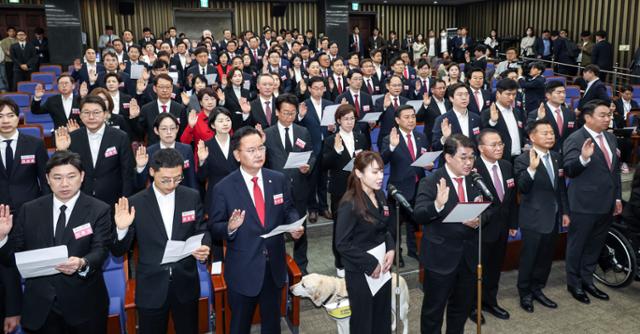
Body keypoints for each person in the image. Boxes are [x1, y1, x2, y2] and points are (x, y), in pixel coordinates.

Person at [0, 150, 111, 333]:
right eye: (57, 177)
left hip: (84, 306)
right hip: (41, 307)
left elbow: (101, 250)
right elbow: (12, 259)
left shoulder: (99, 209)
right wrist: (3, 239)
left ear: (82, 176)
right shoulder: (30, 210)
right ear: (47, 179)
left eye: (71, 176)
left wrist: (82, 262)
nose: (64, 184)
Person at [209, 126, 304, 334]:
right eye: (251, 150)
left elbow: (289, 210)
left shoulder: (277, 179)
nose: (258, 154)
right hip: (244, 269)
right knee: (240, 325)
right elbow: (214, 229)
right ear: (237, 155)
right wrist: (229, 228)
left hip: (274, 266)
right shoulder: (224, 188)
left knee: (272, 324)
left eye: (261, 148)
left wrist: (295, 224)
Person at [112, 148, 210, 334]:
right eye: (165, 179)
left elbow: (202, 229)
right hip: (151, 287)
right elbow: (118, 250)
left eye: (177, 178)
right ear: (151, 172)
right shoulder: (136, 203)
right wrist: (122, 229)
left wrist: (204, 246)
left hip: (185, 283)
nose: (172, 184)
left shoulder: (191, 196)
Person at [414, 134, 481, 334]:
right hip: (440, 258)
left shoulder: (475, 180)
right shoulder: (431, 182)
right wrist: (437, 205)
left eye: (471, 157)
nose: (468, 162)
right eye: (463, 157)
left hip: (468, 256)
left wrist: (479, 219)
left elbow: (490, 208)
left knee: (460, 309)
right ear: (448, 157)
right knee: (433, 312)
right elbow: (419, 214)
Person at [563, 99, 622, 303]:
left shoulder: (610, 138)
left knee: (595, 245)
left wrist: (617, 197)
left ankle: (588, 280)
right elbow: (569, 169)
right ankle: (574, 284)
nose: (608, 118)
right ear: (588, 117)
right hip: (583, 205)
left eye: (609, 115)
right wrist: (583, 159)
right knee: (577, 245)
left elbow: (613, 172)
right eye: (603, 115)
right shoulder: (576, 139)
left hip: (606, 203)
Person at [335, 151, 394, 334]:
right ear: (359, 173)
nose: (380, 177)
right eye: (375, 172)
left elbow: (385, 228)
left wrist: (391, 249)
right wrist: (370, 264)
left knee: (382, 318)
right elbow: (342, 244)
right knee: (363, 322)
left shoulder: (380, 196)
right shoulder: (349, 202)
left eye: (382, 172)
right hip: (361, 272)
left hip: (382, 269)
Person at [513, 119, 569, 313]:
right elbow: (522, 188)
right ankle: (525, 293)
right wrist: (532, 169)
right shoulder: (522, 159)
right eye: (544, 133)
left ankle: (538, 289)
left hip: (553, 216)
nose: (550, 136)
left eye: (551, 133)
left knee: (545, 257)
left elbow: (560, 188)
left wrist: (565, 212)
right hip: (533, 218)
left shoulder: (556, 157)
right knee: (529, 257)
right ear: (532, 136)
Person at [263, 93, 315, 274]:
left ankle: (301, 268)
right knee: (276, 232)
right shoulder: (267, 134)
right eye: (285, 113)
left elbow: (312, 154)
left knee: (300, 230)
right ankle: (278, 267)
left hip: (299, 187)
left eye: (292, 113)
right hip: (275, 190)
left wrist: (308, 166)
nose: (289, 117)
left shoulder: (303, 132)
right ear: (277, 112)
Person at [471, 129, 518, 322]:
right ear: (481, 148)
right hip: (481, 229)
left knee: (494, 267)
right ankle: (473, 306)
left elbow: (512, 199)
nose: (499, 148)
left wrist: (513, 223)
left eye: (501, 144)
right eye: (494, 145)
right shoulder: (473, 169)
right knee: (476, 269)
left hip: (503, 227)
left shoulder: (507, 166)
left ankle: (490, 301)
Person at [55, 95, 134, 206]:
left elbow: (127, 173)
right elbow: (60, 170)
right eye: (86, 113)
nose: (91, 117)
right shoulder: (72, 138)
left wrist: (126, 200)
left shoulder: (120, 137)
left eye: (96, 112)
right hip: (81, 199)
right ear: (81, 116)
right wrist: (61, 150)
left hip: (113, 200)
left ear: (105, 114)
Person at [380, 105, 430, 267]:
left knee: (416, 223)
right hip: (398, 189)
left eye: (413, 116)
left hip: (419, 186)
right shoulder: (390, 138)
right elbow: (382, 160)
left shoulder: (421, 137)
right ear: (397, 120)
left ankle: (414, 250)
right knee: (394, 227)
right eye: (407, 117)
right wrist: (392, 147)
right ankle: (396, 254)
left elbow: (423, 156)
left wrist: (427, 164)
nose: (411, 120)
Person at [323, 104, 369, 277]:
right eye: (346, 119)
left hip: (359, 187)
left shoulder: (360, 136)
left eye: (352, 118)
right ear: (338, 121)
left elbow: (366, 158)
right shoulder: (330, 140)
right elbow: (324, 164)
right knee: (341, 226)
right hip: (340, 189)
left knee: (360, 224)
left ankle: (357, 257)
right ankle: (340, 262)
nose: (350, 122)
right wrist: (337, 151)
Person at [0, 98, 49, 213]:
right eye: (0, 116)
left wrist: (45, 207)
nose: (5, 121)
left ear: (18, 118)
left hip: (30, 209)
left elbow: (45, 179)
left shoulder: (35, 144)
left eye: (10, 115)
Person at [299, 77, 334, 223]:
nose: (319, 90)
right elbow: (296, 125)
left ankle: (324, 207)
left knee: (323, 179)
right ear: (309, 89)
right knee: (310, 180)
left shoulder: (330, 104)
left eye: (321, 87)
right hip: (310, 148)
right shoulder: (304, 105)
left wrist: (333, 128)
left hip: (325, 148)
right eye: (316, 88)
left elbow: (333, 126)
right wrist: (300, 116)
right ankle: (312, 209)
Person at [134, 113, 197, 190]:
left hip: (182, 195)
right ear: (156, 130)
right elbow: (139, 184)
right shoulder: (150, 151)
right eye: (164, 129)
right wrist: (141, 167)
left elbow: (192, 179)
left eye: (172, 128)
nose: (169, 132)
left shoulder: (186, 149)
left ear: (177, 129)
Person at [133, 73, 188, 145]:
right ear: (155, 89)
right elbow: (139, 133)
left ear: (172, 88)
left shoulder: (180, 109)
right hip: (153, 150)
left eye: (168, 87)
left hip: (174, 150)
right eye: (161, 87)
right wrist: (134, 117)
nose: (165, 90)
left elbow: (183, 133)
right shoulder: (146, 109)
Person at [481, 79, 525, 162]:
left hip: (518, 158)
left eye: (514, 94)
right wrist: (492, 122)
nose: (512, 98)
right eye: (508, 94)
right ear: (498, 94)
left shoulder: (517, 112)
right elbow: (483, 134)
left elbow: (523, 131)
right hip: (500, 159)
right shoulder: (488, 112)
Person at [528, 81, 578, 152]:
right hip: (546, 152)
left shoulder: (570, 113)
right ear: (548, 95)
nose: (562, 95)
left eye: (564, 92)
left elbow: (574, 134)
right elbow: (529, 132)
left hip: (567, 153)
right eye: (559, 93)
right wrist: (540, 119)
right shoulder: (536, 113)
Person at [432, 82, 482, 150]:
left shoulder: (476, 118)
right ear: (451, 98)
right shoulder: (442, 120)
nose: (464, 98)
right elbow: (435, 147)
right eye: (460, 95)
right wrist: (445, 138)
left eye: (466, 94)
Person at [374, 75, 409, 149]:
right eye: (394, 85)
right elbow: (376, 119)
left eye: (399, 85)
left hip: (403, 140)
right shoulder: (380, 101)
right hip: (386, 139)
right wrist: (384, 107)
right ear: (387, 86)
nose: (397, 88)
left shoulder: (406, 101)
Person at [417, 79, 450, 146]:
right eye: (439, 88)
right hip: (432, 138)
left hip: (448, 137)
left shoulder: (448, 102)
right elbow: (418, 119)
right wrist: (425, 106)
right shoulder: (428, 102)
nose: (442, 90)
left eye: (444, 88)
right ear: (432, 90)